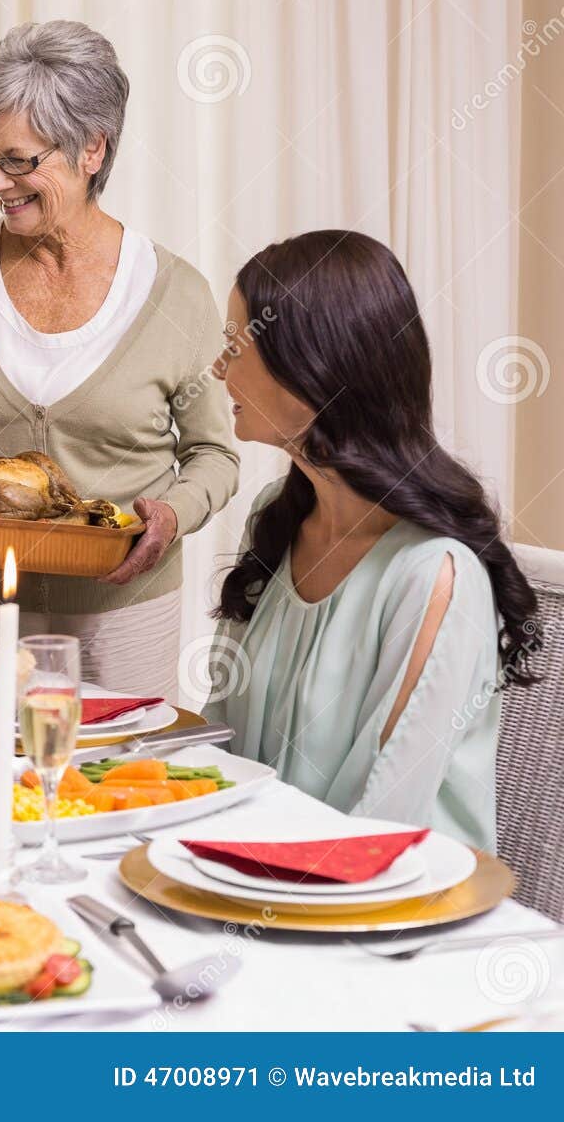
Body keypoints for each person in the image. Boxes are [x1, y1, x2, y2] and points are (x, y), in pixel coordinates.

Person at [0, 20, 238, 699]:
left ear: (92, 148)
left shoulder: (176, 293)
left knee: (114, 787)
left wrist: (173, 513)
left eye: (20, 161)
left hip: (128, 612)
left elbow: (215, 454)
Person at [204, 230, 540, 849]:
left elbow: (379, 825)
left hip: (384, 917)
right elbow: (216, 744)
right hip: (244, 881)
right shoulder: (274, 521)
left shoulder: (433, 574)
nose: (220, 367)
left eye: (235, 344)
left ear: (310, 362)